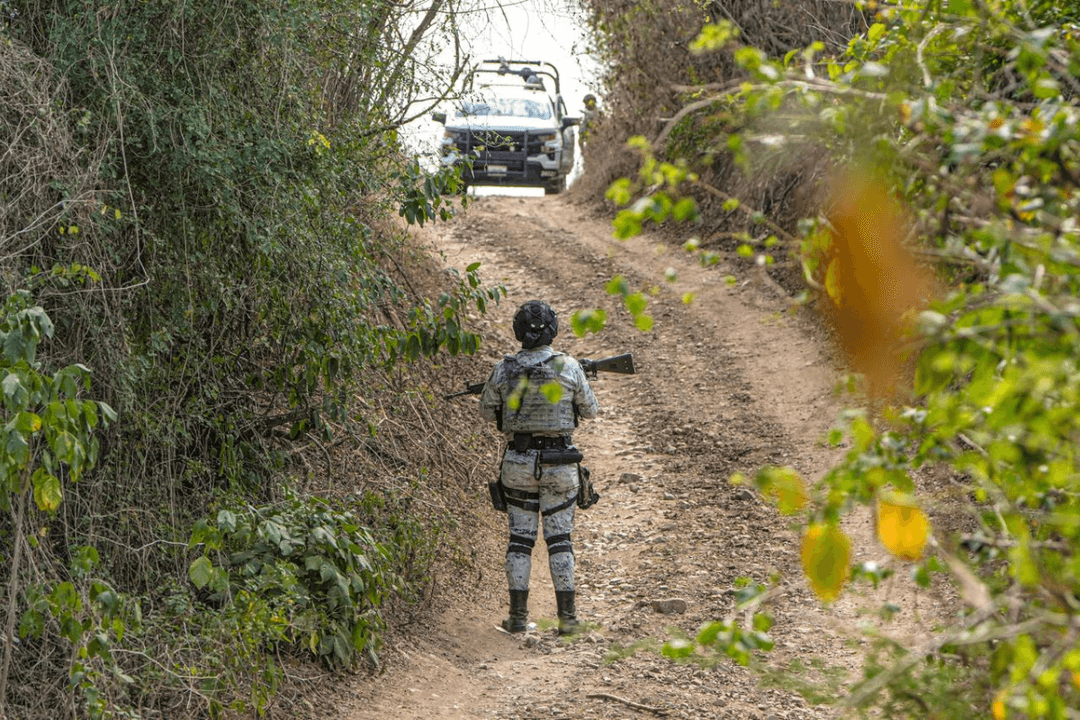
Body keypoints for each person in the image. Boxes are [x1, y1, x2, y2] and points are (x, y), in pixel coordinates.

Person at [480, 300, 599, 635]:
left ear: (519, 332)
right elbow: (590, 411)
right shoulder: (570, 366)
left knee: (520, 541)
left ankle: (517, 618)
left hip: (518, 464)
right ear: (553, 330)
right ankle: (568, 621)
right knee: (560, 540)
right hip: (560, 465)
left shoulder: (504, 369)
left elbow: (488, 413)